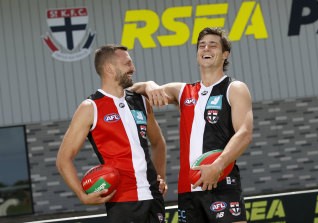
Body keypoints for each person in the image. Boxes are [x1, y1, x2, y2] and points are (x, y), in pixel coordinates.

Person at [131, 27, 253, 223]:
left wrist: (217, 166)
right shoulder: (183, 91)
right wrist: (149, 85)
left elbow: (245, 133)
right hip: (188, 189)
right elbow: (132, 90)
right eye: (201, 46)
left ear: (225, 54)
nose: (206, 48)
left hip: (221, 182)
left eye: (213, 45)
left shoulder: (234, 88)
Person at [56, 44, 167, 223]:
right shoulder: (90, 107)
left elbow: (158, 143)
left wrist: (160, 176)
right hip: (122, 200)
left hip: (154, 197)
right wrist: (82, 196)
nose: (133, 68)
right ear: (109, 68)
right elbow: (63, 159)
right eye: (127, 64)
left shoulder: (141, 102)